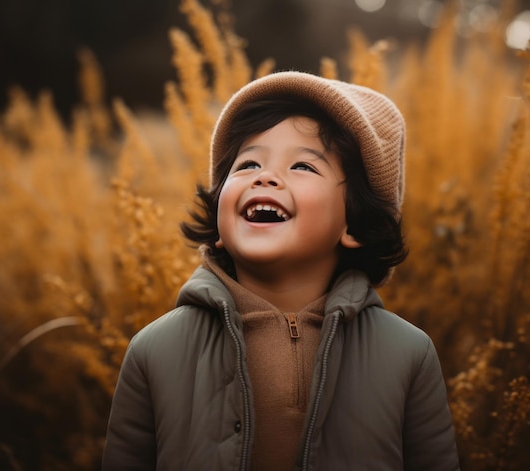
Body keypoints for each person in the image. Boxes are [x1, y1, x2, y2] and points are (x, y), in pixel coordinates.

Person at [102, 71, 460, 471]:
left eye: (304, 167)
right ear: (218, 220)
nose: (265, 176)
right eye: (248, 163)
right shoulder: (155, 350)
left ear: (355, 224)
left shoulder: (407, 354)